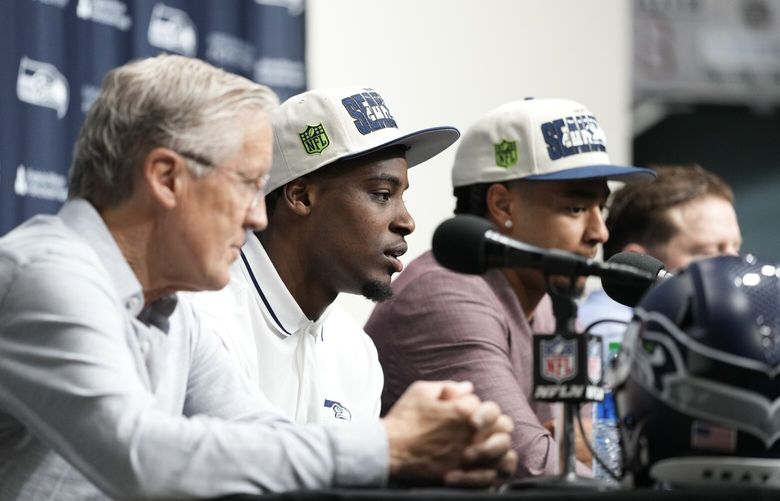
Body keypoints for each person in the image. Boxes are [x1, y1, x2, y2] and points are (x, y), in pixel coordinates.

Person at [0, 55, 515, 500]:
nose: (257, 217)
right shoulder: (49, 274)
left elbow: (263, 432)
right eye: (246, 185)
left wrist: (431, 455)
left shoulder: (168, 311)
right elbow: (141, 458)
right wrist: (388, 445)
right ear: (166, 178)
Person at [364, 98, 656, 477]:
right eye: (576, 209)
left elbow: (590, 447)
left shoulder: (552, 302)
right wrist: (565, 451)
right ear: (503, 206)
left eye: (602, 209)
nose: (599, 233)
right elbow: (534, 468)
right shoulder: (444, 294)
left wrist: (575, 452)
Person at [188, 86, 459, 425]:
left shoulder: (355, 350)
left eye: (402, 196)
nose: (406, 222)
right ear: (301, 197)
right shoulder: (205, 321)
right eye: (382, 194)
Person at [578, 163, 742, 345]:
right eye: (711, 251)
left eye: (735, 248)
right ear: (635, 266)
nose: (735, 264)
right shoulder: (603, 332)